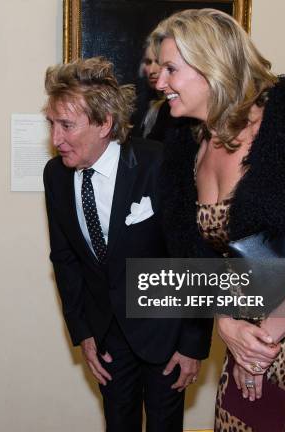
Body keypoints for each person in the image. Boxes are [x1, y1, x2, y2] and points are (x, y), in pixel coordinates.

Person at [151, 8, 285, 431]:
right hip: (249, 335)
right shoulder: (190, 141)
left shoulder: (284, 130)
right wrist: (228, 325)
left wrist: (260, 342)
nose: (159, 81)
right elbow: (208, 262)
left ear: (209, 64)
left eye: (171, 68)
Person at [42, 57, 212, 432]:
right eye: (51, 124)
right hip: (107, 336)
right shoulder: (55, 175)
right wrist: (83, 332)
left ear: (104, 123)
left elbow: (192, 255)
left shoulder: (158, 163)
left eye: (66, 125)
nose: (55, 139)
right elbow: (65, 258)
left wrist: (192, 342)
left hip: (166, 332)